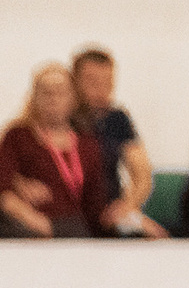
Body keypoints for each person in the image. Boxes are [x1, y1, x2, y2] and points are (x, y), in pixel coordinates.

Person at [1, 64, 118, 238]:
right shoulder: (18, 136)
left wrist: (128, 217)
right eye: (46, 92)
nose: (53, 98)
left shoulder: (88, 145)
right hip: (28, 225)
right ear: (34, 98)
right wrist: (32, 218)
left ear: (73, 98)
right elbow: (3, 191)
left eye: (60, 92)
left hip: (74, 226)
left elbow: (95, 205)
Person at [69, 47, 165, 237]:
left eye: (108, 82)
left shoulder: (117, 119)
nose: (101, 90)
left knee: (155, 235)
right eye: (92, 82)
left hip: (111, 207)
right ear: (74, 81)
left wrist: (126, 205)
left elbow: (142, 175)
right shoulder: (62, 119)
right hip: (72, 206)